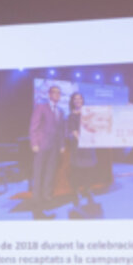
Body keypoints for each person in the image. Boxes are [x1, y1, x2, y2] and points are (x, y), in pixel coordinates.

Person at [28, 85, 65, 217]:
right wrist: (34, 143)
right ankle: (36, 198)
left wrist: (62, 145)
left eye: (59, 93)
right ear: (49, 94)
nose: (57, 95)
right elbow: (34, 125)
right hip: (42, 145)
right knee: (38, 172)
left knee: (50, 172)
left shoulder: (60, 111)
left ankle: (47, 195)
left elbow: (60, 130)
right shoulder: (41, 107)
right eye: (55, 92)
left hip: (54, 147)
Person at [65, 92, 98, 208]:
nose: (78, 101)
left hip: (88, 146)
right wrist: (81, 140)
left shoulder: (88, 114)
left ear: (83, 100)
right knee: (77, 170)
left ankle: (87, 189)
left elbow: (94, 128)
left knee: (89, 170)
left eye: (80, 99)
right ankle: (76, 192)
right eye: (75, 99)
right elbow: (72, 131)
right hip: (78, 146)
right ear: (72, 102)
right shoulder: (71, 116)